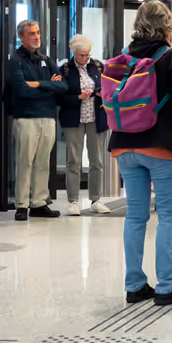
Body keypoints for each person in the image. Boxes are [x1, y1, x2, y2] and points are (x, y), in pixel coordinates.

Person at [109, 0, 172, 306]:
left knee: (135, 216)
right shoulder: (168, 56)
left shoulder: (124, 55)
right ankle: (166, 286)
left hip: (123, 144)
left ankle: (134, 285)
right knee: (168, 216)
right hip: (160, 145)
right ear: (166, 26)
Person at [6, 20, 66, 221]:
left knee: (43, 162)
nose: (37, 37)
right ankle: (22, 205)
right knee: (25, 162)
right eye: (31, 33)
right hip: (26, 117)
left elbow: (63, 86)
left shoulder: (45, 59)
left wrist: (39, 84)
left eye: (38, 32)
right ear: (21, 36)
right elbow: (22, 90)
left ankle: (39, 202)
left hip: (48, 116)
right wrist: (49, 87)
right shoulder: (15, 60)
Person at [58, 35, 110, 216]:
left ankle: (96, 199)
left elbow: (108, 86)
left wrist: (103, 93)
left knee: (97, 160)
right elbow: (58, 97)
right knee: (73, 161)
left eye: (88, 54)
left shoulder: (97, 66)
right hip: (74, 120)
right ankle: (73, 201)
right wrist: (78, 97)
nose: (85, 58)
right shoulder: (65, 69)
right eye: (82, 55)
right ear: (74, 52)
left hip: (96, 118)